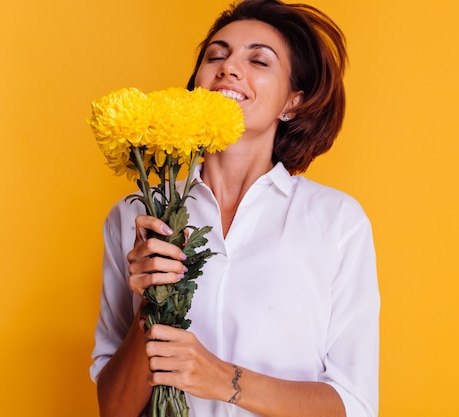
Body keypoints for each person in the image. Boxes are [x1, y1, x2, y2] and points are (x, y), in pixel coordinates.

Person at [90, 0, 380, 416]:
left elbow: (354, 406)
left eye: (259, 60)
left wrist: (224, 380)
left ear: (292, 102)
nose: (228, 68)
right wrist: (153, 303)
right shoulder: (137, 216)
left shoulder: (336, 222)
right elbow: (114, 410)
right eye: (216, 55)